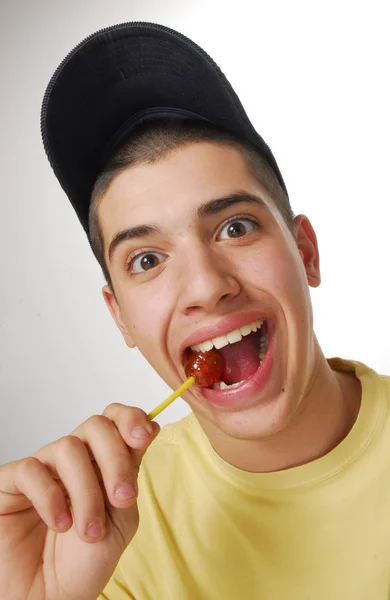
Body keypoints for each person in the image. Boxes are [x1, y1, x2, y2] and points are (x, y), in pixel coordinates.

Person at [0, 21, 389, 600]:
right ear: (120, 317)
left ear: (305, 252)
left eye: (235, 227)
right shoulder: (102, 531)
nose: (205, 286)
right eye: (147, 260)